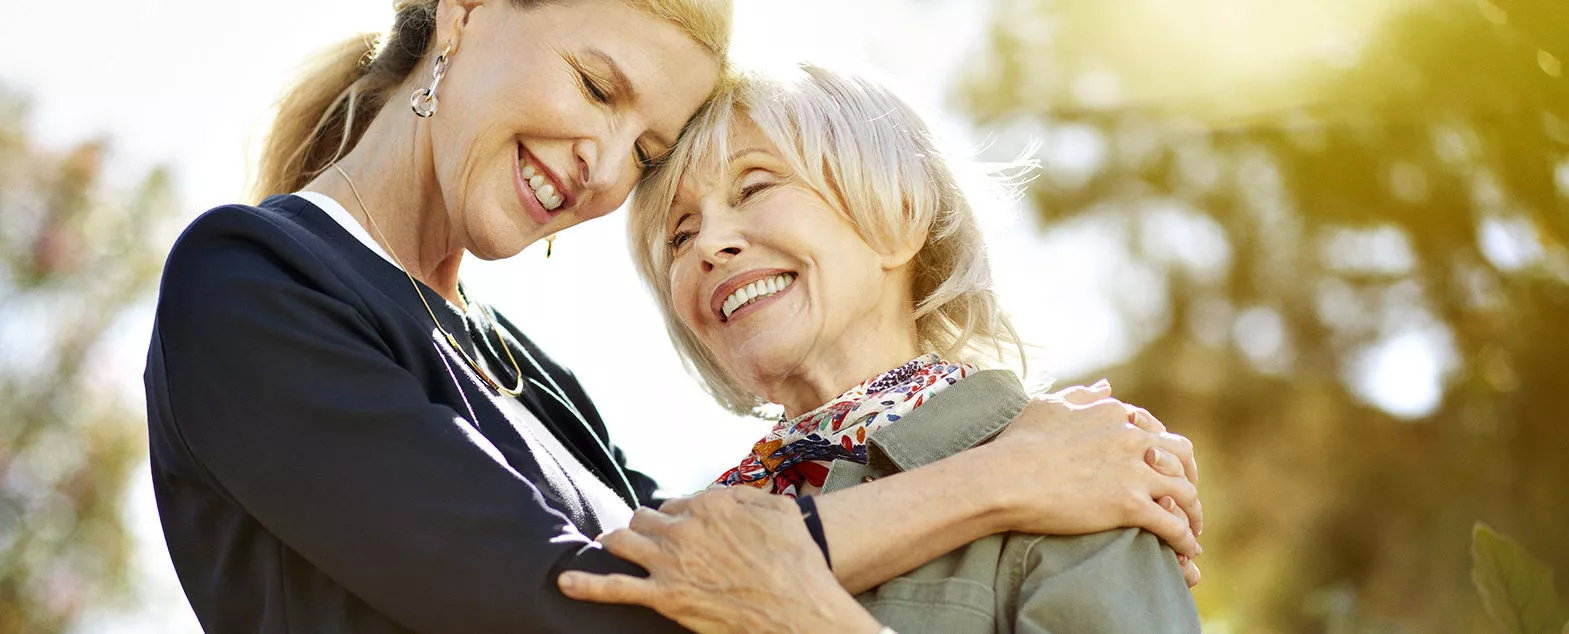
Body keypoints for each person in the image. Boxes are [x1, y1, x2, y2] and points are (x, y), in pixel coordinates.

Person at [144, 0, 1201, 631]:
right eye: (600, 88)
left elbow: (701, 556)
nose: (606, 169)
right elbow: (592, 606)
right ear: (465, 10)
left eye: (647, 152)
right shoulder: (256, 284)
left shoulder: (539, 382)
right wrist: (1003, 480)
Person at [563, 63, 1203, 632]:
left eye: (754, 187)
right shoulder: (690, 527)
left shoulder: (1090, 477)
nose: (707, 245)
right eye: (679, 236)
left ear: (897, 218)